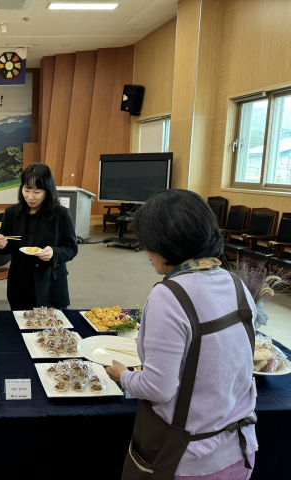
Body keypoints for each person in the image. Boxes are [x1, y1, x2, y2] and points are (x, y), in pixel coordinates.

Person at [105, 189, 257, 480]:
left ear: (165, 243)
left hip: (189, 458)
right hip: (240, 450)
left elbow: (158, 388)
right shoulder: (234, 283)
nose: (146, 253)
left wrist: (123, 375)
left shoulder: (169, 295)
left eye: (147, 243)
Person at [0, 163, 78, 310]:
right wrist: (2, 244)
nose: (30, 197)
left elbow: (71, 248)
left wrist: (53, 253)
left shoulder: (61, 214)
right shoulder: (11, 213)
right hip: (20, 284)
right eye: (26, 190)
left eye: (37, 192)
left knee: (53, 330)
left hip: (50, 284)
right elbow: (7, 248)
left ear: (48, 191)